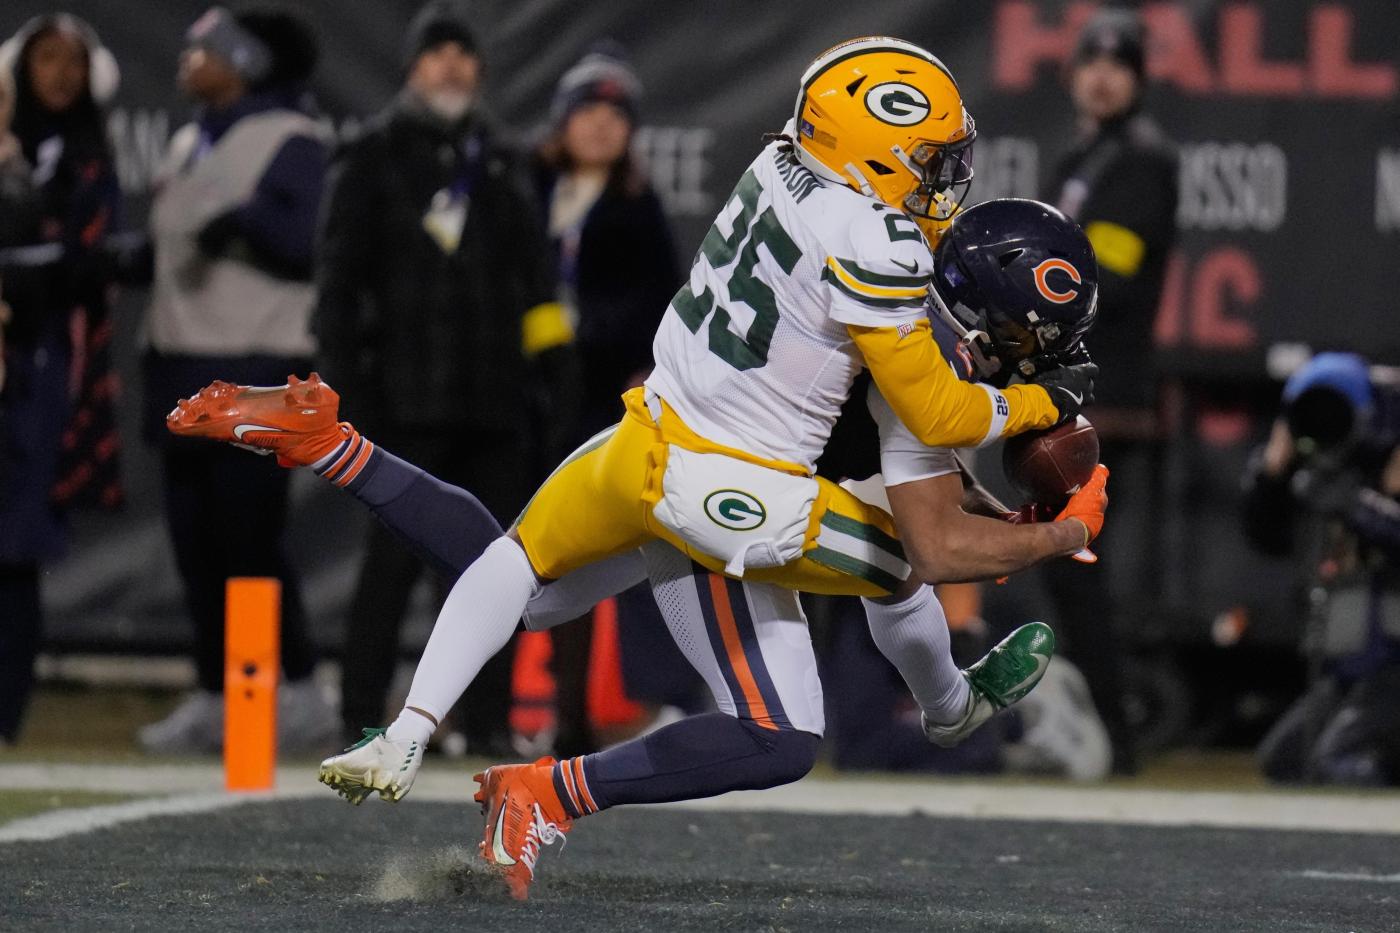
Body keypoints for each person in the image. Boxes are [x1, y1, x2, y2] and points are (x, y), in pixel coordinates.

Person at [171, 192, 1107, 900]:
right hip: (727, 499)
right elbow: (932, 543)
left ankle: (331, 444)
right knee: (802, 702)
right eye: (1032, 337)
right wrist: (1061, 529)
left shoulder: (872, 258)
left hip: (660, 430)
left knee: (520, 588)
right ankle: (554, 791)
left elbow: (927, 487)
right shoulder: (920, 359)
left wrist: (1005, 512)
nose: (1043, 358)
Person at [313, 0, 571, 752]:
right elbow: (337, 289)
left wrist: (555, 375)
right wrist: (345, 395)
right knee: (387, 570)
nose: (451, 67)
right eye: (436, 54)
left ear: (480, 71)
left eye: (463, 55)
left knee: (495, 571)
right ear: (412, 69)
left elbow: (537, 284)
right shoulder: (371, 155)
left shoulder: (502, 160)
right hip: (400, 405)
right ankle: (360, 715)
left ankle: (487, 724)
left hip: (493, 407)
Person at [136, 6, 335, 753]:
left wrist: (241, 219)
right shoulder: (190, 139)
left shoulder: (293, 139)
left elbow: (306, 244)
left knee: (251, 539)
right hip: (181, 360)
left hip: (255, 364)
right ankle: (216, 692)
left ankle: (297, 689)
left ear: (248, 63)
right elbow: (167, 250)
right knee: (196, 543)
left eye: (208, 50)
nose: (189, 58)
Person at [531, 43, 689, 754]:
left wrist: (582, 332)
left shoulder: (639, 207)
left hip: (604, 408)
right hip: (528, 407)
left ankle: (659, 702)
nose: (600, 125)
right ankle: (558, 716)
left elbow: (661, 310)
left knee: (633, 558)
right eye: (587, 110)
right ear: (561, 121)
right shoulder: (525, 191)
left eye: (615, 115)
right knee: (538, 562)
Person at [1042, 6, 1179, 773]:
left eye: (1118, 65)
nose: (1102, 77)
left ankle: (1113, 734)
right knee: (1060, 563)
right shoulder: (1082, 156)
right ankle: (1092, 726)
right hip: (1064, 387)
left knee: (1073, 557)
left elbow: (1109, 277)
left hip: (1105, 394)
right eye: (1090, 63)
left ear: (1138, 80)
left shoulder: (1142, 161)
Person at [0, 14, 123, 746]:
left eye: (70, 61)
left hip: (37, 366)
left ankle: (7, 714)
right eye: (44, 59)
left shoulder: (82, 160)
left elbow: (82, 265)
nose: (59, 74)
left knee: (16, 543)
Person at [1243, 353, 1400, 786]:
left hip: (1394, 666)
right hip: (1353, 666)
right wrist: (1271, 477)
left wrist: (1359, 506)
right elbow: (1267, 538)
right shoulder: (1325, 468)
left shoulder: (1382, 460)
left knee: (1340, 765)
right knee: (1285, 761)